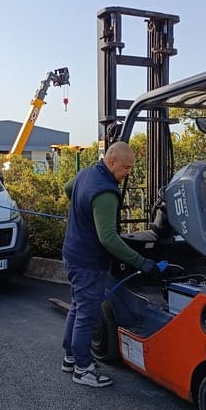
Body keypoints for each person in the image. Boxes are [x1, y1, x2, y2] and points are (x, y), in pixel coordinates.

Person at [61, 141, 161, 388]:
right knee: (88, 313)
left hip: (72, 253)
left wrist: (81, 213)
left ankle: (70, 358)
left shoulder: (87, 173)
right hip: (88, 262)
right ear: (112, 161)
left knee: (77, 306)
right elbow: (108, 239)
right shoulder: (106, 192)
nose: (128, 173)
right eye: (126, 167)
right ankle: (82, 369)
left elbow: (67, 188)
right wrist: (142, 262)